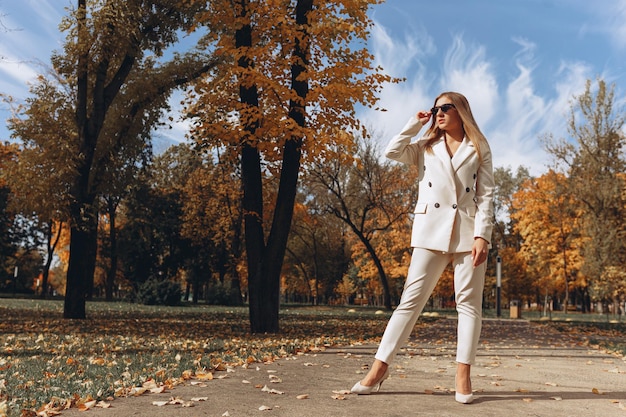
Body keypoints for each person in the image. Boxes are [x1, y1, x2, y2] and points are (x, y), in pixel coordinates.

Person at [350, 92, 495, 404]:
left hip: (468, 233)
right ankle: (377, 370)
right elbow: (392, 152)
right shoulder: (425, 146)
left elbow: (486, 195)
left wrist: (483, 235)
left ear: (461, 112)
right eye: (435, 109)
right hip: (430, 230)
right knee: (409, 303)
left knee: (468, 305)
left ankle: (463, 375)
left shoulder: (479, 147)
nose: (438, 113)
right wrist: (414, 125)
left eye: (445, 108)